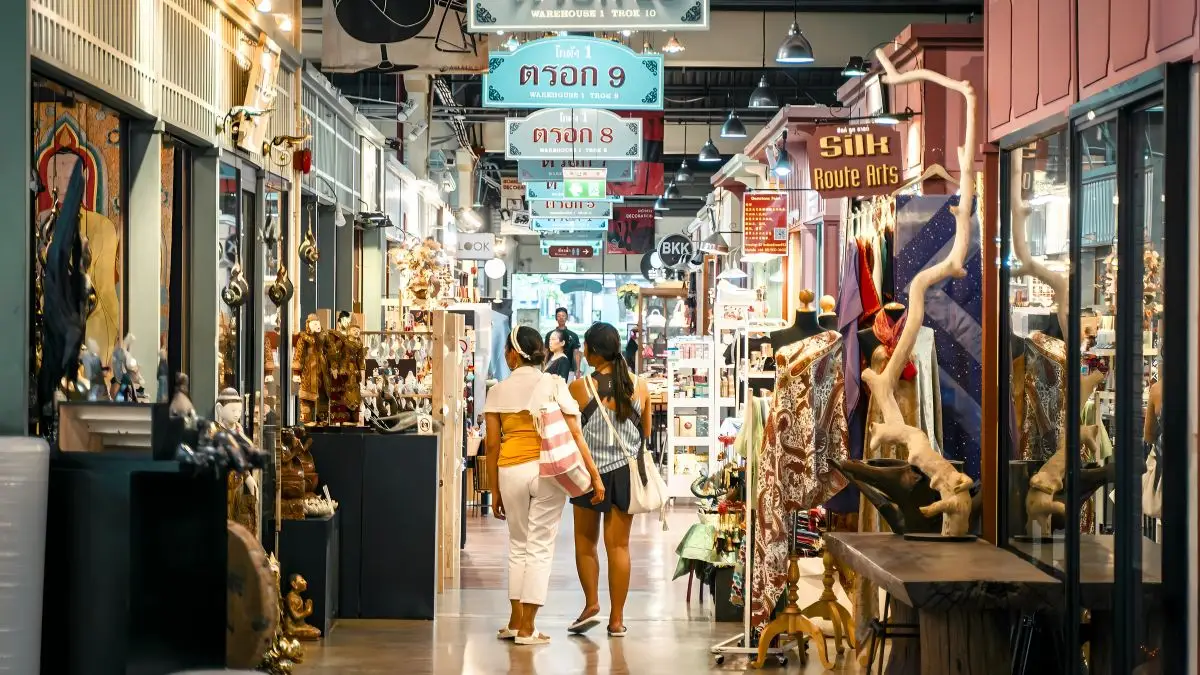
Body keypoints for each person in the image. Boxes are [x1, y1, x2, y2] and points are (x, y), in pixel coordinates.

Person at [483, 326, 605, 646]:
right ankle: (528, 628)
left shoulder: (496, 392)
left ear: (513, 353)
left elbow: (493, 446)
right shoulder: (554, 384)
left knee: (518, 546)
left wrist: (493, 489)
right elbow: (576, 435)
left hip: (510, 470)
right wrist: (593, 476)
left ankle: (514, 621)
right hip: (548, 470)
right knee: (539, 547)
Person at [566, 322, 652, 637]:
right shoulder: (640, 385)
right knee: (619, 547)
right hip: (624, 473)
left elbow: (572, 434)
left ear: (591, 351)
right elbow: (646, 433)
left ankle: (591, 604)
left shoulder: (579, 388)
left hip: (589, 474)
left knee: (585, 543)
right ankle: (617, 620)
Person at [545, 307, 582, 380]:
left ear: (567, 317)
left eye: (563, 316)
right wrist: (544, 366)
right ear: (556, 318)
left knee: (565, 389)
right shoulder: (550, 334)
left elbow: (576, 353)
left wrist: (577, 369)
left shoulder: (573, 336)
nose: (561, 318)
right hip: (552, 367)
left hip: (569, 369)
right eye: (558, 316)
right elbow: (546, 351)